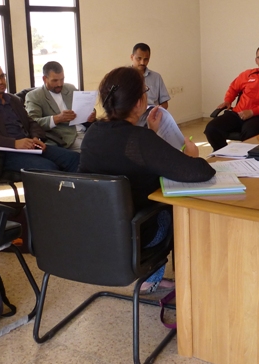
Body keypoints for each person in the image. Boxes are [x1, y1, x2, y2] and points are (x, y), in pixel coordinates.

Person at [80, 66, 215, 293]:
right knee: (179, 210)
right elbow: (200, 172)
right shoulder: (140, 140)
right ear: (139, 103)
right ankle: (155, 279)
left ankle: (152, 276)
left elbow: (127, 155)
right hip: (138, 234)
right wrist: (192, 156)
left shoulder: (93, 133)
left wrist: (151, 133)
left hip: (96, 231)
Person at [0, 61, 80, 177]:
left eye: (2, 76)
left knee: (74, 159)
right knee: (48, 168)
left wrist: (36, 138)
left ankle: (73, 190)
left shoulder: (13, 100)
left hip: (30, 146)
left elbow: (31, 122)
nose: (0, 81)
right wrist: (14, 143)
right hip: (4, 153)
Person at [204, 44, 259, 150]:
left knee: (250, 134)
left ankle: (245, 158)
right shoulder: (248, 74)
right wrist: (228, 100)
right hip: (238, 113)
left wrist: (252, 112)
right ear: (256, 60)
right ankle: (223, 153)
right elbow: (233, 88)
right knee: (211, 128)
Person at [24, 61, 95, 152]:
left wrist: (91, 114)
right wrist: (57, 118)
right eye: (55, 80)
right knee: (95, 151)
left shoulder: (70, 88)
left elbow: (86, 106)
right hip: (66, 138)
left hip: (87, 130)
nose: (60, 84)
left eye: (62, 79)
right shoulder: (35, 96)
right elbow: (33, 122)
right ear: (44, 79)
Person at [131, 42, 170, 110]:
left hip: (153, 114)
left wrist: (156, 112)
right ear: (132, 57)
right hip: (133, 115)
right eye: (139, 58)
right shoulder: (123, 77)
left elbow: (164, 103)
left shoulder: (156, 77)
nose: (142, 62)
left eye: (146, 59)